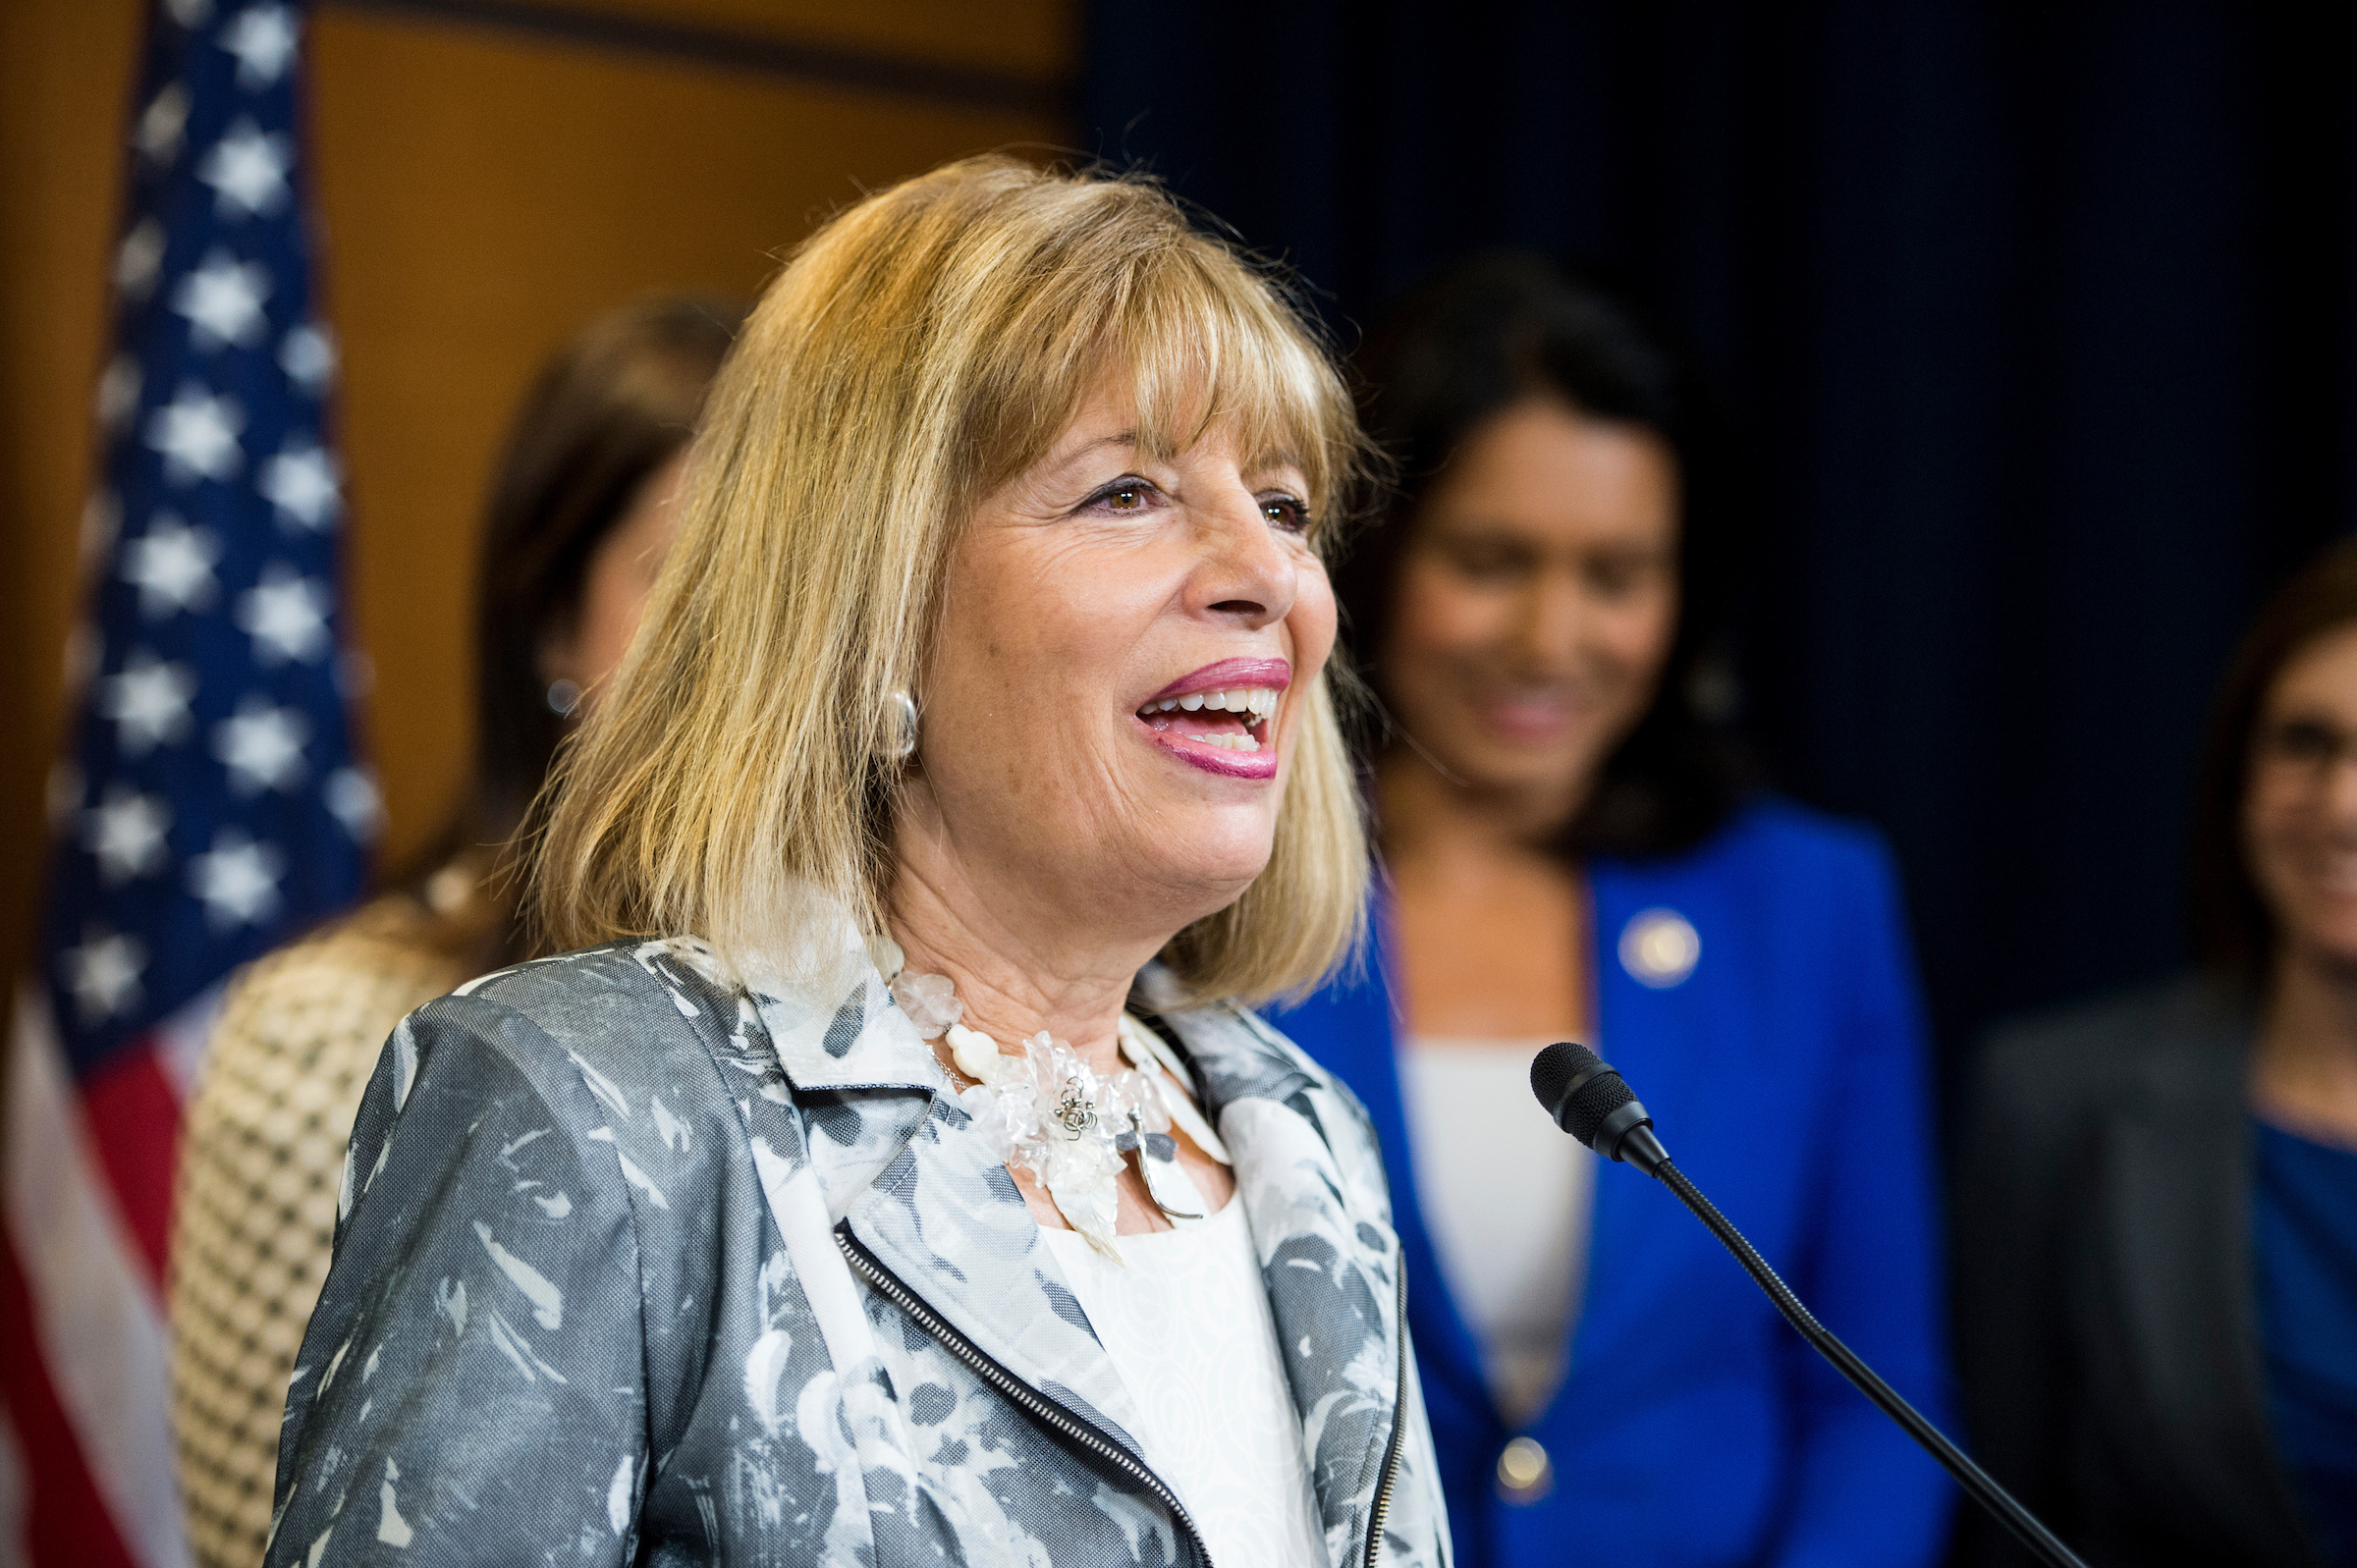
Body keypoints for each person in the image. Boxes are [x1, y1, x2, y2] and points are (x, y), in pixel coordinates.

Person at [259, 156, 1451, 1567]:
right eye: (1128, 491)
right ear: (868, 600)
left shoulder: (1305, 1133)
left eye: (1288, 506)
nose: (1270, 577)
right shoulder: (590, 1113)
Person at [1268, 252, 1954, 1566]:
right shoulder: (1215, 883)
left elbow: (1877, 1397)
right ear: (1372, 548)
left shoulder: (1810, 904)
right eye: (1491, 559)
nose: (1550, 634)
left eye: (1617, 575)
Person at [169, 294, 741, 1568]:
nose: (746, 651)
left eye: (784, 589)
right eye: (687, 580)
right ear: (552, 623)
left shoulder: (877, 1017)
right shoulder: (332, 1035)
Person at [1952, 541, 2357, 1568]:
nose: (2344, 805)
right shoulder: (2049, 1103)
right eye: (2306, 743)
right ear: (2237, 777)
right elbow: (1999, 1525)